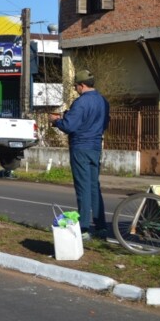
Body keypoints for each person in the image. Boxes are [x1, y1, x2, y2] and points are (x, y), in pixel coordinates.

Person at [49, 69, 111, 240]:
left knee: (83, 188)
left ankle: (83, 229)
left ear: (82, 85)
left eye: (76, 85)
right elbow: (104, 122)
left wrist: (56, 121)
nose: (76, 88)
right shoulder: (103, 101)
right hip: (95, 147)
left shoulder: (81, 102)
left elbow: (69, 126)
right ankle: (100, 227)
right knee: (93, 187)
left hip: (80, 147)